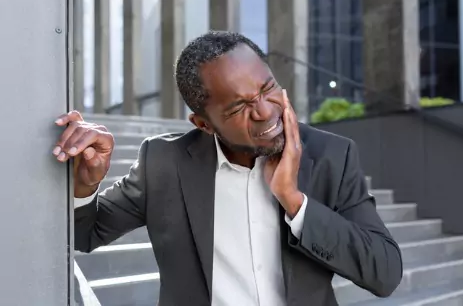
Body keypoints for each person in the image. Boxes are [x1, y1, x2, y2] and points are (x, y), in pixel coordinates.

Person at [54, 31, 403, 306]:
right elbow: (85, 233)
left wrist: (295, 202)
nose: (265, 112)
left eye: (268, 89)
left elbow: (384, 273)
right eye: (239, 107)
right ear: (204, 124)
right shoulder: (164, 163)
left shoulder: (331, 156)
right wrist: (86, 184)